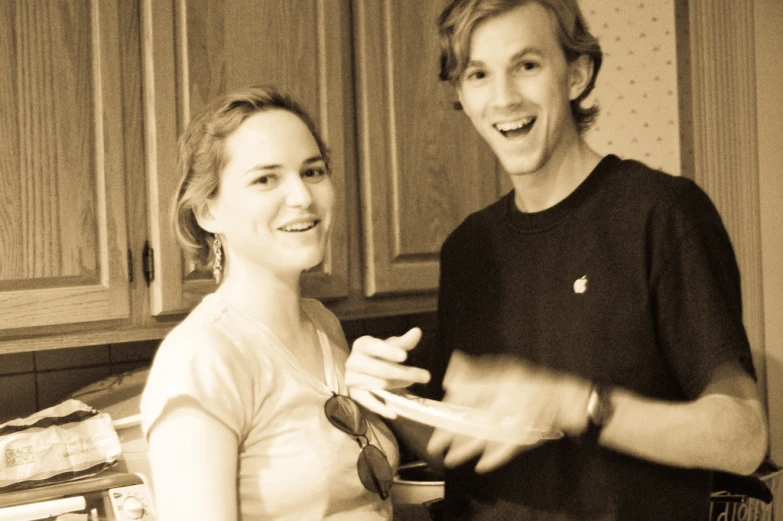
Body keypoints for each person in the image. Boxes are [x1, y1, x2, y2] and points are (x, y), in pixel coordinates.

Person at [345, 1, 769, 520]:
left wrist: (576, 403)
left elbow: (743, 437)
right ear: (462, 94)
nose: (503, 98)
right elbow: (465, 445)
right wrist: (379, 398)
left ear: (575, 74)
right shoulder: (467, 248)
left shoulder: (661, 214)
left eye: (526, 65)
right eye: (479, 74)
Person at [140, 86, 423, 521]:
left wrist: (394, 399)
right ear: (207, 212)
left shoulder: (321, 324)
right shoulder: (201, 359)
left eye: (312, 172)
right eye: (265, 179)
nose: (302, 197)